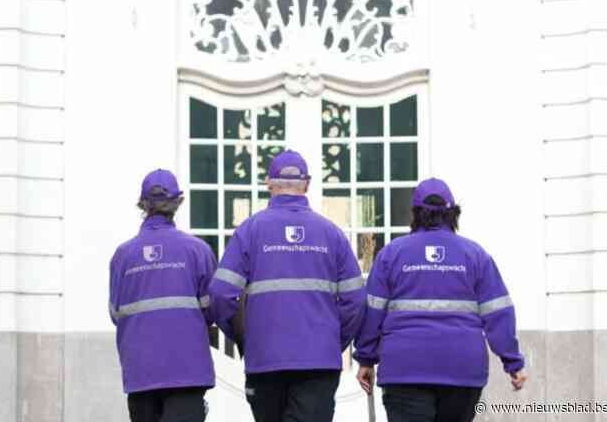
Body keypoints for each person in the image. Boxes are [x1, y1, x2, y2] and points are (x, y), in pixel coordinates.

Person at [208, 150, 366, 422]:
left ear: (269, 183)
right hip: (319, 362)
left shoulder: (250, 230)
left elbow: (221, 294)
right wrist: (332, 341)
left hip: (265, 360)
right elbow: (355, 300)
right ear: (307, 184)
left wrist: (245, 337)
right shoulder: (332, 234)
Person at [353, 178, 527, 422]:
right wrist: (513, 362)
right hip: (462, 370)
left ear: (415, 213)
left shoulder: (391, 254)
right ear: (452, 213)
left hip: (405, 370)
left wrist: (366, 358)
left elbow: (372, 312)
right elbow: (498, 312)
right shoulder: (475, 255)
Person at [109, 169, 216, 422]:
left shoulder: (122, 256)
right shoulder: (198, 251)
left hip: (140, 372)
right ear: (178, 202)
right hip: (187, 370)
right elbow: (211, 308)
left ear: (142, 205)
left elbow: (116, 313)